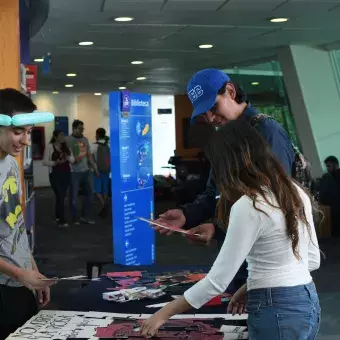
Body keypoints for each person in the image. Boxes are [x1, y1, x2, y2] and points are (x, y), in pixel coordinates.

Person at [141, 120, 321, 339]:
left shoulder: (249, 205)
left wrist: (161, 314)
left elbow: (217, 282)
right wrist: (248, 288)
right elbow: (311, 260)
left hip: (276, 311)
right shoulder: (294, 191)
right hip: (307, 303)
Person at [157, 68, 294, 246]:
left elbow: (273, 201)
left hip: (268, 254)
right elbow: (215, 193)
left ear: (230, 91)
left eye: (213, 107)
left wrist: (217, 229)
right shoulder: (225, 138)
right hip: (236, 247)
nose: (210, 118)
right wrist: (186, 214)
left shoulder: (268, 132)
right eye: (203, 113)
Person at [0, 89, 55, 339]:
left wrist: (33, 270)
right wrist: (21, 275)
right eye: (18, 131)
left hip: (21, 281)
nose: (25, 141)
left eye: (29, 132)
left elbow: (17, 224)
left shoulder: (11, 163)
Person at [66, 120, 99, 225]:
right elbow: (64, 155)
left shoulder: (85, 139)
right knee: (74, 196)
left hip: (86, 171)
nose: (82, 131)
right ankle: (75, 218)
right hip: (74, 172)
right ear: (74, 128)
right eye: (80, 128)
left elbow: (89, 155)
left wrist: (95, 169)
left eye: (82, 129)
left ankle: (85, 216)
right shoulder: (68, 140)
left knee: (90, 194)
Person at [43, 130, 74, 227]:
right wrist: (55, 163)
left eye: (63, 135)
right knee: (60, 196)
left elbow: (72, 160)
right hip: (55, 175)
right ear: (55, 137)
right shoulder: (49, 147)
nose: (63, 137)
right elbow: (45, 161)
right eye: (61, 135)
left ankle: (58, 216)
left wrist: (66, 157)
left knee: (61, 196)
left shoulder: (66, 147)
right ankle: (62, 220)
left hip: (66, 174)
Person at [91, 128, 110, 218]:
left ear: (97, 135)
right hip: (106, 170)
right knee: (105, 189)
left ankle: (104, 205)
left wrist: (96, 170)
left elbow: (92, 160)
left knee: (97, 190)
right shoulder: (108, 145)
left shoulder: (94, 146)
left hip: (97, 171)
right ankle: (105, 204)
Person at [319, 155, 340, 237]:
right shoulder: (330, 177)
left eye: (329, 166)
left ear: (335, 165)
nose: (327, 168)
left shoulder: (329, 177)